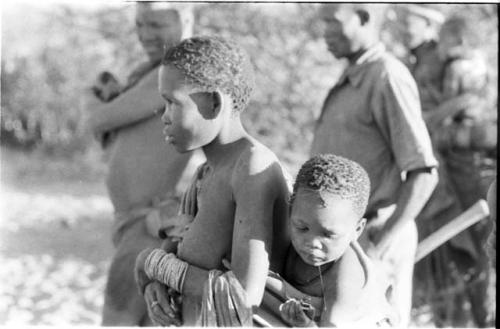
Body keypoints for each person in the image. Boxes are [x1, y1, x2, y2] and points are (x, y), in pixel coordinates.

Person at [134, 36, 291, 326]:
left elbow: (241, 295)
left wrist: (150, 263)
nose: (164, 117)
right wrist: (153, 283)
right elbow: (176, 253)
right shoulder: (204, 175)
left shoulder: (252, 168)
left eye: (172, 103)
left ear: (214, 103)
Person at [310, 4, 438, 326]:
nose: (324, 30)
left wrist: (379, 246)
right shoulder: (352, 75)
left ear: (364, 18)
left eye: (333, 21)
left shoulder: (386, 75)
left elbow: (423, 173)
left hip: (374, 234)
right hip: (342, 239)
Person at [83, 3, 203, 325]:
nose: (145, 35)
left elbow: (97, 121)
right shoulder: (151, 71)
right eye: (139, 25)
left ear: (186, 18)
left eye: (156, 24)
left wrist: (91, 96)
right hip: (135, 224)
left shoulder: (180, 68)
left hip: (149, 226)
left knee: (117, 319)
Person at [256, 154, 397, 327]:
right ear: (291, 212)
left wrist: (305, 325)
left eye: (329, 235)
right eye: (302, 228)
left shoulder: (347, 273)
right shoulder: (287, 241)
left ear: (357, 230)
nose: (313, 242)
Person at [423, 15, 496, 327]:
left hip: (468, 164)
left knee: (476, 250)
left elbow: (453, 112)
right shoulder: (483, 66)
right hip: (473, 160)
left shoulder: (458, 68)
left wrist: (436, 116)